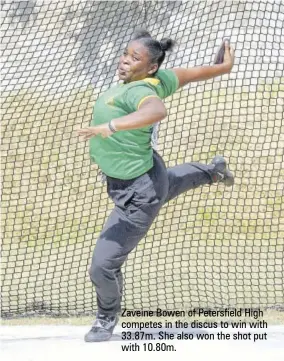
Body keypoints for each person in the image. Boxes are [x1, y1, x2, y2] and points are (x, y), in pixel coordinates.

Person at [77, 30, 235, 342]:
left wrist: (110, 126)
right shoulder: (161, 79)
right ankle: (213, 172)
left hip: (136, 194)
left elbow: (155, 110)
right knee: (165, 185)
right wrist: (222, 65)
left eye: (135, 58)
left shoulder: (136, 93)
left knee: (102, 266)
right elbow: (201, 72)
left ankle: (105, 319)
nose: (125, 60)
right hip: (148, 174)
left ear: (149, 67)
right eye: (126, 54)